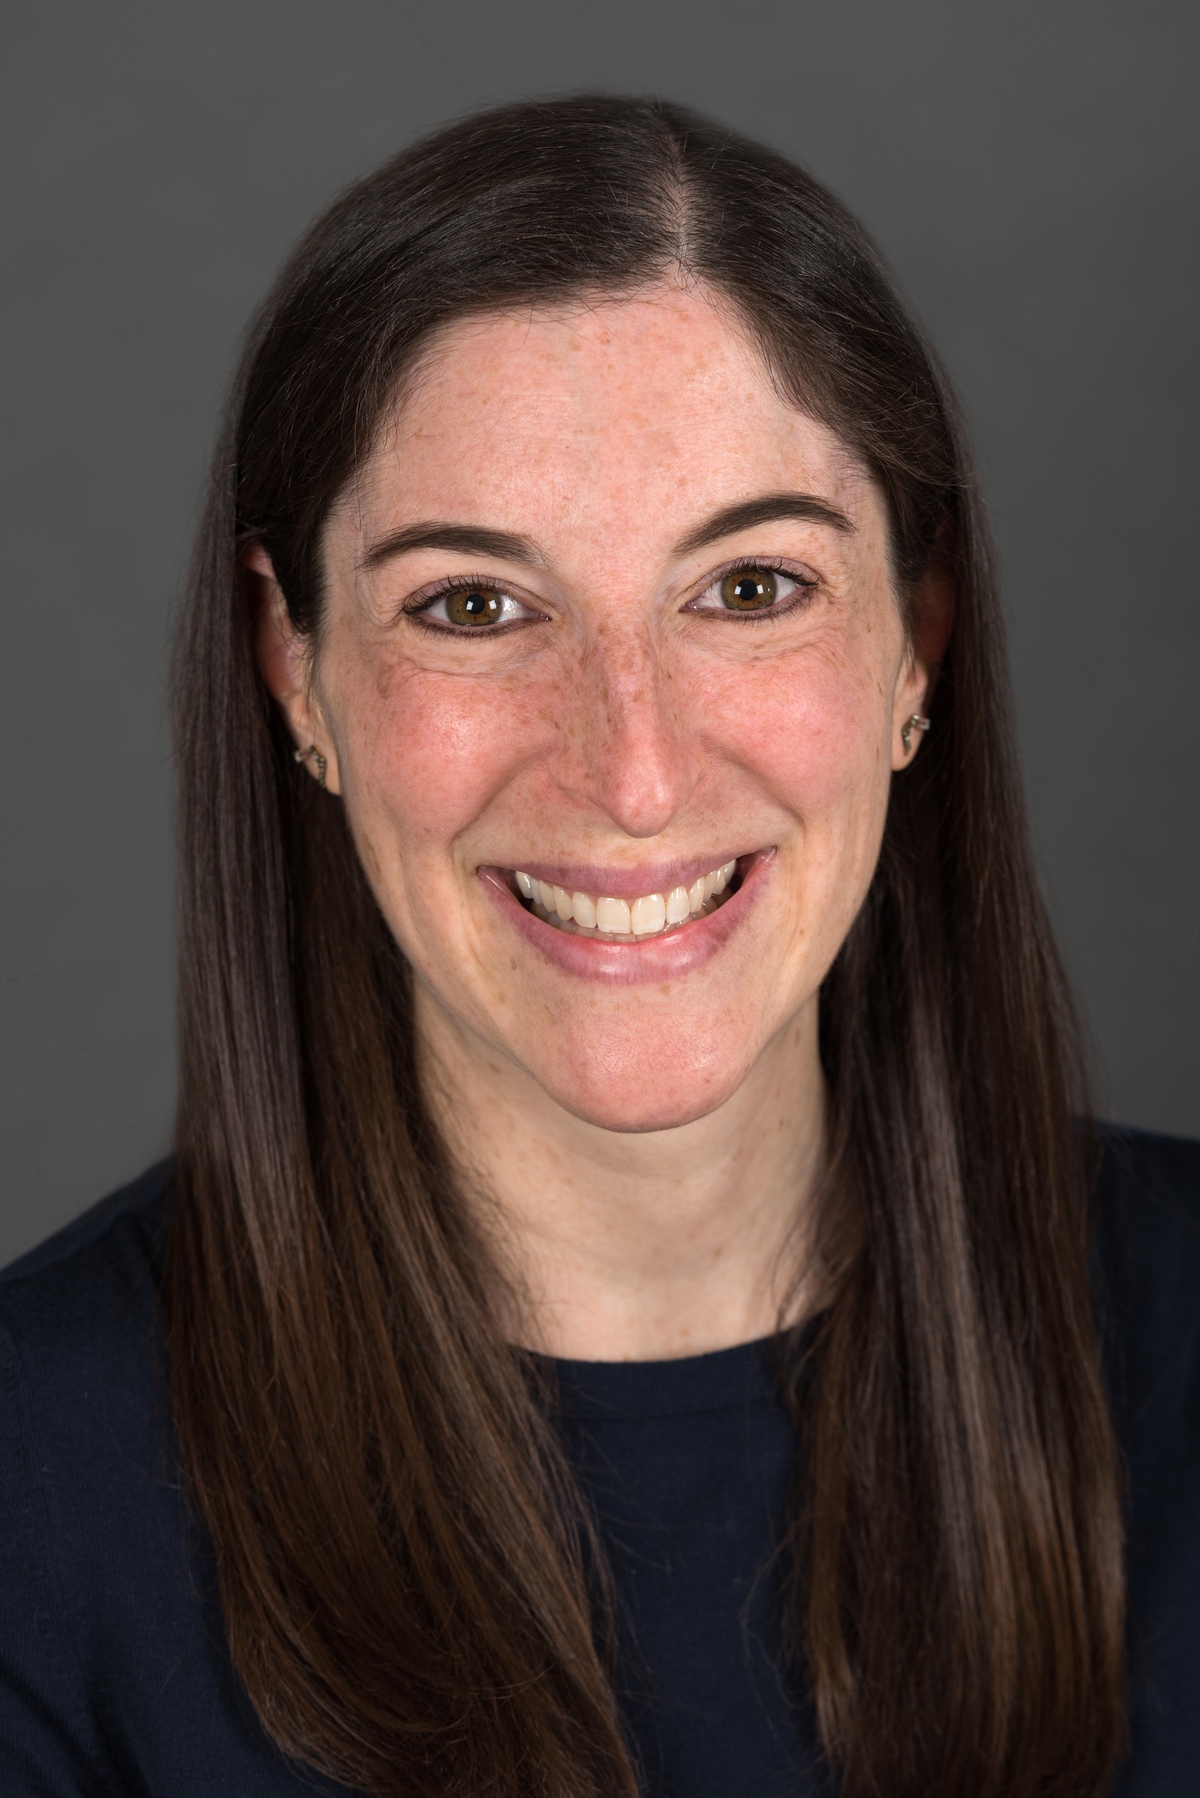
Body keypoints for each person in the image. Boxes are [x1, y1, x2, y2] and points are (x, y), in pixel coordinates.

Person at [0, 94, 1196, 1798]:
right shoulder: (32, 1491)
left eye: (750, 589)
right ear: (295, 667)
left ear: (916, 648)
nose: (632, 771)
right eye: (474, 606)